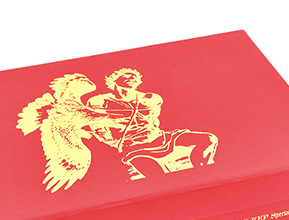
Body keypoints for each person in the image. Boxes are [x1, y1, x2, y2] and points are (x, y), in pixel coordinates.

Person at [87, 68, 218, 180]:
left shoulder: (150, 98)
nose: (130, 79)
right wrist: (114, 143)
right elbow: (96, 126)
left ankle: (202, 174)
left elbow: (154, 119)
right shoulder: (99, 102)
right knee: (158, 179)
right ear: (113, 80)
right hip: (134, 147)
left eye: (133, 78)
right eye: (126, 77)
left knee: (209, 139)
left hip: (161, 138)